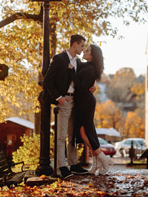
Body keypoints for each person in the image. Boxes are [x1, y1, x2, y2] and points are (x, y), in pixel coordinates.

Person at [43, 34, 95, 179]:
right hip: (64, 101)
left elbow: (82, 79)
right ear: (74, 45)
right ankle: (61, 167)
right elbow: (47, 80)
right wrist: (59, 98)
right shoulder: (59, 59)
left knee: (71, 136)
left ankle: (73, 164)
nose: (83, 49)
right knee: (61, 135)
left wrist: (93, 86)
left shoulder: (78, 62)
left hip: (76, 102)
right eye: (82, 46)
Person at [68, 44, 114, 174]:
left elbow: (82, 87)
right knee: (87, 132)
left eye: (87, 51)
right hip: (82, 101)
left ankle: (102, 158)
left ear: (93, 56)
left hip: (85, 102)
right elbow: (78, 65)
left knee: (85, 132)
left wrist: (72, 73)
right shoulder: (86, 66)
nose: (84, 51)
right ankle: (97, 163)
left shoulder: (91, 69)